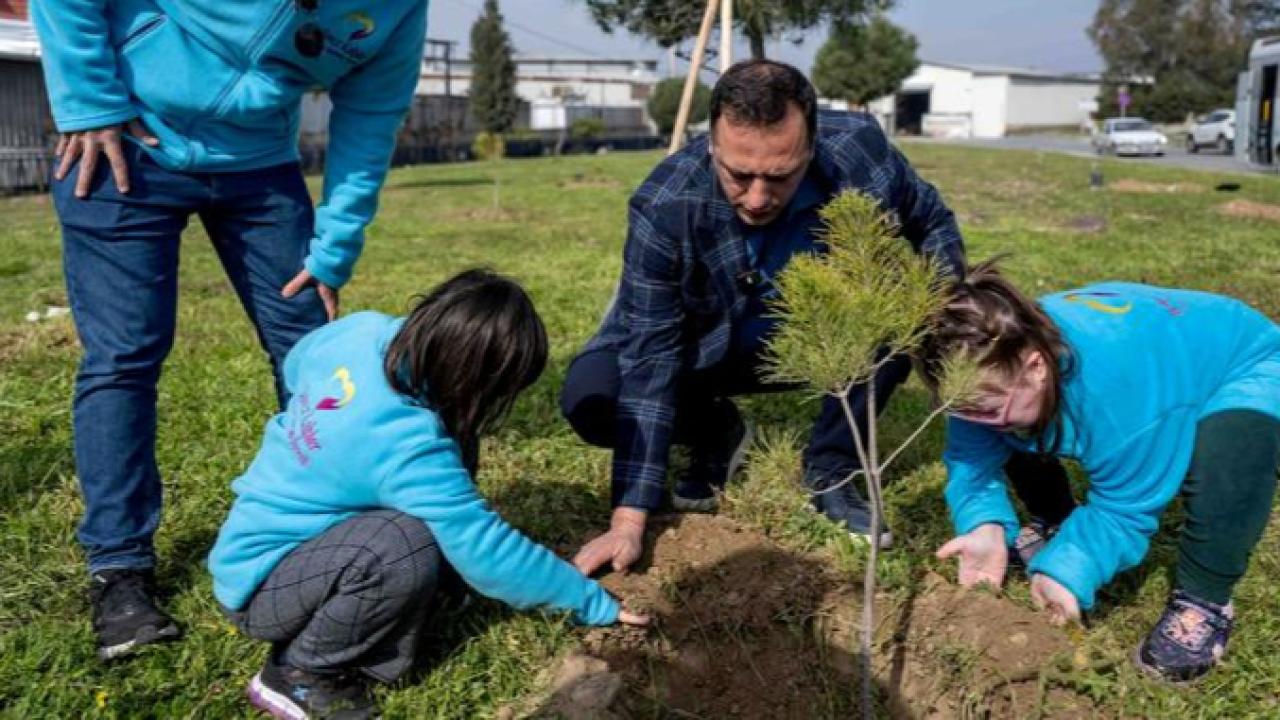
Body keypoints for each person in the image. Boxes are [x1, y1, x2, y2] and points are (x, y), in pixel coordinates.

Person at [32, 0, 430, 659]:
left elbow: (371, 113)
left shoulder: (399, 9)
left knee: (312, 351)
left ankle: (320, 531)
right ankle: (119, 569)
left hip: (260, 168)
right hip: (124, 141)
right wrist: (89, 101)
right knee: (124, 358)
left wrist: (334, 247)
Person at [560, 59, 976, 576]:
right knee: (592, 395)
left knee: (892, 308)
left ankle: (833, 469)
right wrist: (629, 518)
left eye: (780, 176)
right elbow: (652, 355)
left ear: (812, 145)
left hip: (817, 342)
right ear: (712, 143)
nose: (757, 198)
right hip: (701, 345)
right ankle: (716, 431)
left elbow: (931, 220)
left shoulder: (859, 154)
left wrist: (935, 301)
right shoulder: (665, 204)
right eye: (739, 175)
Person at [208, 270, 647, 719]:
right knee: (400, 545)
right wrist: (589, 601)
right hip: (263, 591)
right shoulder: (405, 445)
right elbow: (486, 549)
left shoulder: (365, 330)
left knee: (425, 503)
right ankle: (302, 673)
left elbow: (298, 361)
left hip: (249, 553)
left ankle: (407, 593)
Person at [922, 262, 1280, 683]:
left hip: (1245, 359)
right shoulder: (983, 368)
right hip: (1152, 342)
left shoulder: (1119, 398)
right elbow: (972, 458)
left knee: (1232, 458)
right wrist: (983, 525)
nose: (972, 419)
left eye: (984, 407)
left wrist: (1070, 570)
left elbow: (1126, 505)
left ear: (1037, 365)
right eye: (959, 408)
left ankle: (1205, 600)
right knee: (1011, 426)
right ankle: (1057, 522)